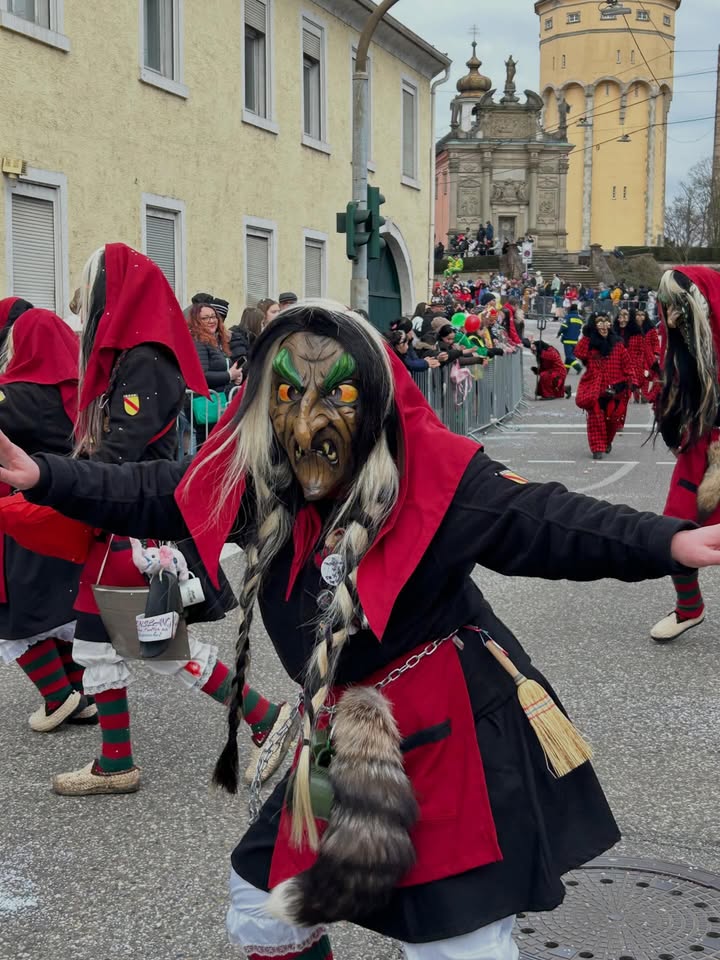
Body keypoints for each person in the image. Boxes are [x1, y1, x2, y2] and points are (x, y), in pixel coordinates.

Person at [3, 302, 720, 960]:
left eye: (337, 395)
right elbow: (154, 491)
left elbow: (552, 521)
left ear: (372, 398)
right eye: (289, 395)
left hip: (453, 724)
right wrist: (43, 473)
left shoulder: (437, 474)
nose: (311, 418)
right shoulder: (256, 469)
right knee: (267, 903)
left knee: (457, 938)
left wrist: (668, 542)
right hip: (340, 725)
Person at [25, 243, 291, 796]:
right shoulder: (136, 355)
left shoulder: (148, 358)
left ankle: (264, 717)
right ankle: (118, 761)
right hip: (118, 521)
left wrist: (65, 484)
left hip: (133, 525)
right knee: (109, 642)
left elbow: (118, 453)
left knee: (157, 644)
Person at [0, 308, 95, 730]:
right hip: (72, 507)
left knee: (18, 611)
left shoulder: (20, 394)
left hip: (28, 513)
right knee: (56, 608)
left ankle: (58, 696)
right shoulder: (82, 391)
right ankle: (79, 695)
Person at [650, 267, 720, 642]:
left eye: (680, 306)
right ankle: (689, 608)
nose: (673, 316)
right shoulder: (683, 343)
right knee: (675, 531)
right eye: (668, 308)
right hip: (699, 449)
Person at [575, 314, 636, 460]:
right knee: (596, 418)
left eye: (606, 321)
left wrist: (632, 382)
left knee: (613, 420)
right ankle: (597, 448)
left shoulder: (618, 344)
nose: (603, 325)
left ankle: (607, 441)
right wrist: (587, 334)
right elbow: (578, 352)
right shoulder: (589, 344)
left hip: (616, 388)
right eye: (599, 322)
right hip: (595, 388)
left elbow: (627, 365)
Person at [188, 300, 244, 448]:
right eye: (205, 318)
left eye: (213, 316)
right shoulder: (198, 341)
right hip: (207, 404)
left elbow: (223, 369)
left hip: (218, 402)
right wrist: (228, 376)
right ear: (196, 321)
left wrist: (236, 376)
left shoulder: (215, 341)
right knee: (207, 445)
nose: (211, 320)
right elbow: (201, 375)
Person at [557, 302, 584, 374]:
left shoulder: (568, 317)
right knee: (569, 355)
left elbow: (564, 326)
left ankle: (578, 367)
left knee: (569, 355)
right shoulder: (579, 318)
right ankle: (566, 369)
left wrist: (559, 333)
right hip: (575, 340)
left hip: (567, 339)